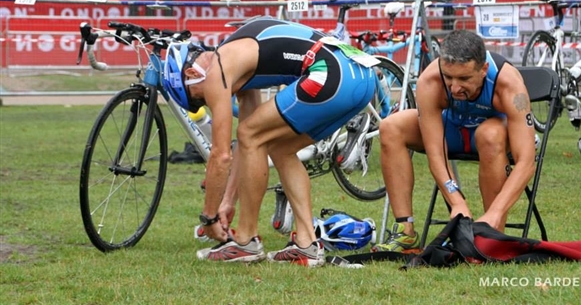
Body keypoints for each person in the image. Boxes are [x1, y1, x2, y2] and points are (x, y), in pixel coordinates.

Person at [162, 17, 377, 266]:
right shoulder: (238, 58)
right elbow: (246, 146)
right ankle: (306, 245)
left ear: (191, 74)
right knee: (278, 147)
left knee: (250, 133)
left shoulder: (215, 72)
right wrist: (228, 201)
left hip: (332, 72)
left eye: (198, 99)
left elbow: (221, 155)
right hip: (359, 75)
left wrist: (208, 217)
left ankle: (245, 241)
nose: (208, 101)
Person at [372, 29, 536, 252]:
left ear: (483, 69)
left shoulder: (509, 85)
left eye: (464, 78)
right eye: (448, 77)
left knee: (490, 134)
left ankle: (491, 231)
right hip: (451, 131)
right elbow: (436, 153)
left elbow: (526, 161)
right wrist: (457, 201)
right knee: (391, 126)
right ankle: (405, 232)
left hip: (491, 137)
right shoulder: (430, 80)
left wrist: (495, 212)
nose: (455, 87)